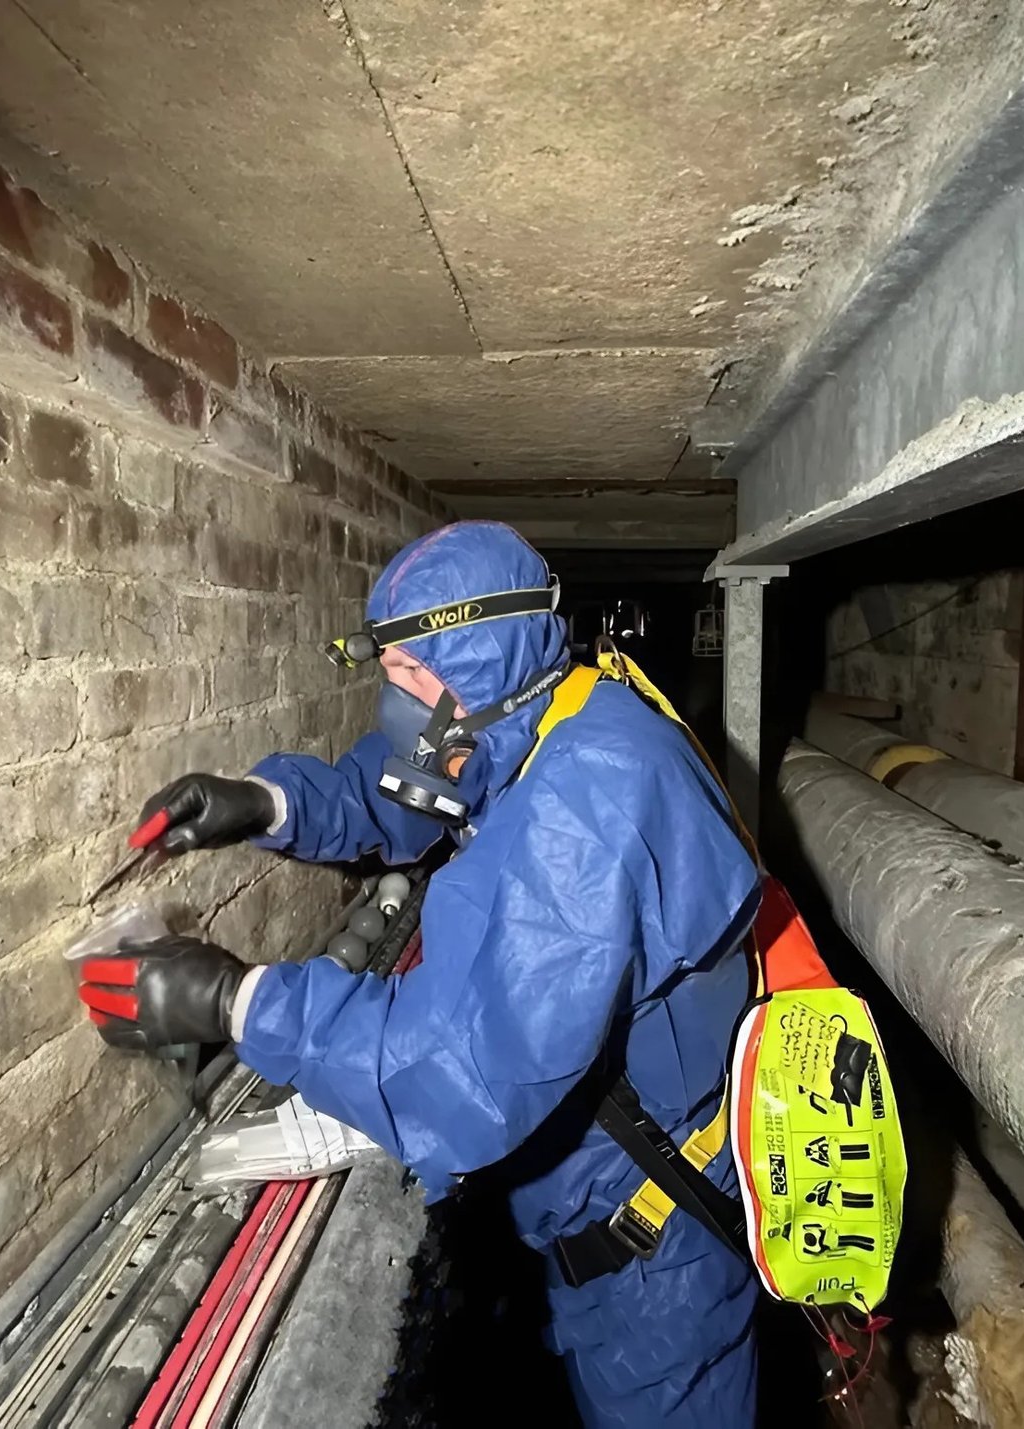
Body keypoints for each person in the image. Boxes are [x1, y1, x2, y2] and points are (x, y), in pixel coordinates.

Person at [79, 520, 761, 1427]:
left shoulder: (587, 799)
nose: (397, 701)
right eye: (389, 670)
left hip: (656, 1259)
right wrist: (267, 802)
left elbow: (460, 1075)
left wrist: (234, 998)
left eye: (409, 672)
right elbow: (401, 789)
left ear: (481, 654)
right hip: (597, 1221)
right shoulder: (538, 710)